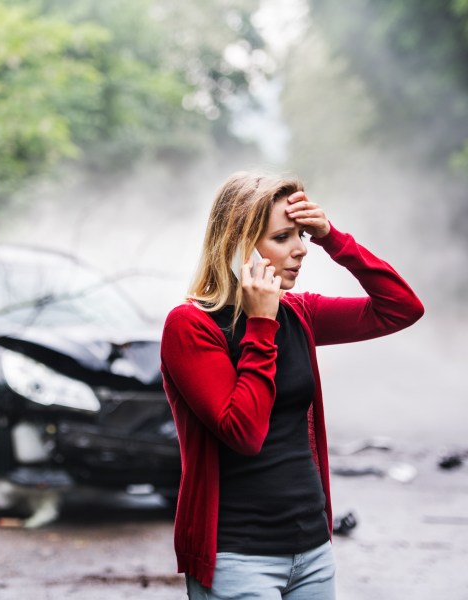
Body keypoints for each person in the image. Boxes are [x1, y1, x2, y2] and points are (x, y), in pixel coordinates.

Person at [160, 171, 424, 599]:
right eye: (283, 237)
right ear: (238, 245)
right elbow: (244, 432)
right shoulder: (191, 326)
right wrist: (261, 323)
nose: (301, 249)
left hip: (312, 552)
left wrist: (333, 237)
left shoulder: (299, 312)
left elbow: (401, 308)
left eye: (301, 234)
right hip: (238, 558)